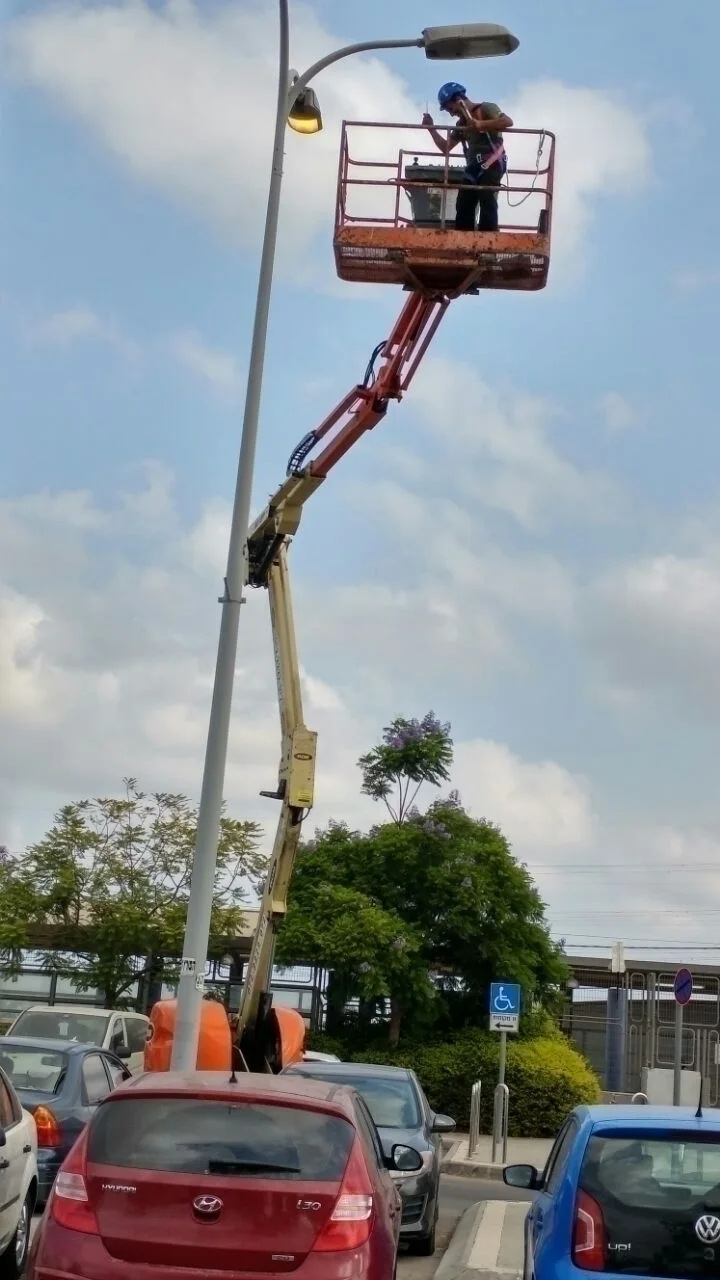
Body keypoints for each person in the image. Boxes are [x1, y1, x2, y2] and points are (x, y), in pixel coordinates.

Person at [421, 82, 513, 232]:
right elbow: (446, 147)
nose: (451, 113)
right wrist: (431, 128)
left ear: (459, 100)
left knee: (486, 195)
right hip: (474, 167)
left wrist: (480, 125)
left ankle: (488, 238)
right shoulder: (462, 123)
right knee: (464, 202)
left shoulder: (486, 108)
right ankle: (464, 238)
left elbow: (507, 122)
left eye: (450, 108)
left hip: (492, 162)